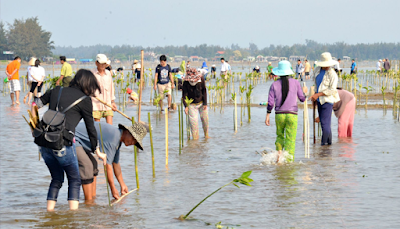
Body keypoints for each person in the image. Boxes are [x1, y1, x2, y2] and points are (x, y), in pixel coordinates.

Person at [34, 69, 104, 211]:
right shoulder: (85, 100)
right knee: (74, 180)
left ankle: (49, 213)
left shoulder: (56, 90)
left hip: (44, 143)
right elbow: (91, 128)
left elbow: (36, 104)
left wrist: (34, 125)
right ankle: (73, 217)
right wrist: (96, 150)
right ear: (87, 84)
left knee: (57, 179)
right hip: (63, 144)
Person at [75, 121, 147, 201]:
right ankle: (89, 203)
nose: (132, 142)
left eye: (135, 142)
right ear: (127, 131)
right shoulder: (113, 137)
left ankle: (92, 198)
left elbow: (115, 163)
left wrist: (122, 184)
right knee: (87, 165)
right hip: (73, 138)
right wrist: (113, 188)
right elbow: (107, 165)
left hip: (81, 143)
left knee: (93, 165)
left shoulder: (118, 140)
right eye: (133, 138)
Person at [265, 60, 307, 162]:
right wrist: (305, 92)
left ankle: (279, 154)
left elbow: (270, 103)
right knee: (290, 139)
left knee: (279, 136)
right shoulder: (296, 83)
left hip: (279, 115)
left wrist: (267, 115)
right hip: (292, 115)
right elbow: (302, 98)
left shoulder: (274, 85)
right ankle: (288, 162)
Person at [310, 52, 340, 146]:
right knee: (325, 124)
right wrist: (315, 96)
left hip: (327, 100)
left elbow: (332, 90)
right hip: (319, 101)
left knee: (324, 124)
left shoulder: (332, 74)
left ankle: (323, 146)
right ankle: (329, 145)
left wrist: (318, 94)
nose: (327, 66)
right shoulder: (317, 70)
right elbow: (315, 85)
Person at [182, 68, 209, 140]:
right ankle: (195, 139)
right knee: (193, 123)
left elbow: (204, 90)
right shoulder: (186, 82)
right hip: (191, 104)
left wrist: (205, 103)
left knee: (205, 120)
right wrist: (186, 106)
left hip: (201, 103)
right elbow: (184, 95)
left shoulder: (201, 79)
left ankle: (206, 135)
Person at [92, 54, 117, 124]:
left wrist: (112, 102)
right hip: (95, 104)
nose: (103, 66)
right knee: (97, 126)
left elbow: (111, 88)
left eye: (104, 64)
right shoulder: (92, 74)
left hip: (107, 103)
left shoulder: (108, 73)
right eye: (101, 64)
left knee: (110, 126)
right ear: (96, 63)